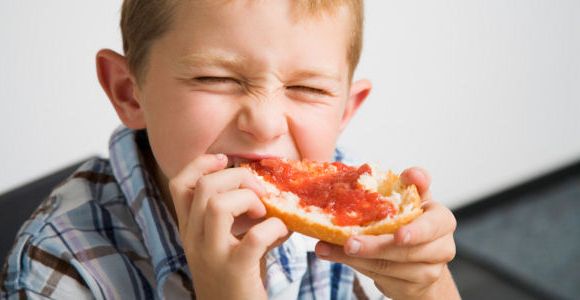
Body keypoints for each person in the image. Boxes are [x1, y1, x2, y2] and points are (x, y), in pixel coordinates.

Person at [0, 0, 459, 299]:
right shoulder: (59, 261)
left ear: (344, 110)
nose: (263, 124)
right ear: (129, 92)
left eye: (306, 88)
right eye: (215, 79)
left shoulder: (351, 213)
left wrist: (427, 284)